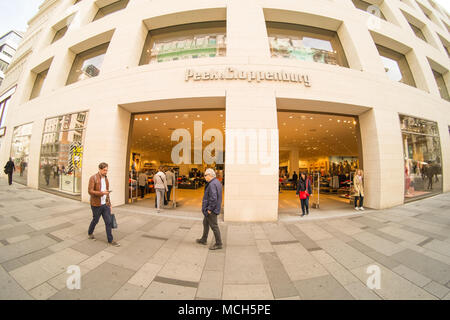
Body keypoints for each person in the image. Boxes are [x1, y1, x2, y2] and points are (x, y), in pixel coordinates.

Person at [87, 162, 120, 246]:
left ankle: (110, 240)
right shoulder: (93, 178)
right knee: (95, 220)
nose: (106, 172)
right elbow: (90, 191)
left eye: (107, 170)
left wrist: (110, 204)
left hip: (105, 204)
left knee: (108, 222)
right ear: (100, 169)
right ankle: (90, 233)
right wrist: (102, 193)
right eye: (104, 170)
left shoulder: (106, 179)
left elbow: (107, 192)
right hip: (96, 204)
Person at [196, 168, 223, 250]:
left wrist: (209, 209)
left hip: (211, 210)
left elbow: (213, 198)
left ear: (210, 175)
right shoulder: (216, 182)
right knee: (205, 223)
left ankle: (219, 243)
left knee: (214, 226)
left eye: (205, 175)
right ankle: (204, 239)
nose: (204, 177)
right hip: (211, 209)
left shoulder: (212, 184)